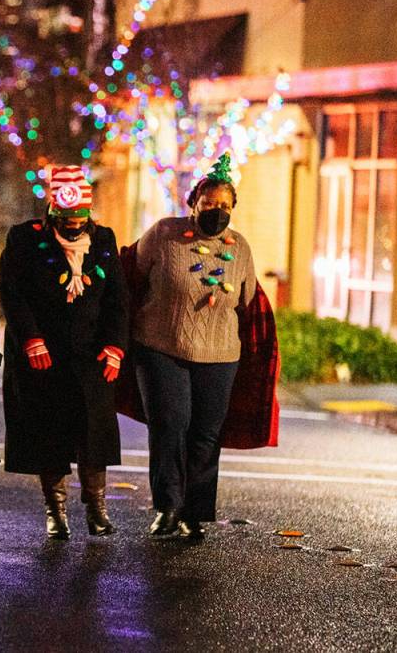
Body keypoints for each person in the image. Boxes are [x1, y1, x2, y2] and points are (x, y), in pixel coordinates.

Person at [131, 153, 258, 541]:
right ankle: (167, 507)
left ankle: (193, 512)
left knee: (205, 433)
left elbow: (248, 298)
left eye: (224, 206)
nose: (217, 212)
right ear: (193, 203)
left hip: (219, 354)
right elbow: (133, 275)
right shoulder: (163, 234)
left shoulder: (239, 248)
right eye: (209, 204)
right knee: (170, 424)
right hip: (160, 345)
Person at [0, 165, 128, 539]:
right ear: (52, 211)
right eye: (65, 219)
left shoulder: (102, 240)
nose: (73, 226)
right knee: (48, 431)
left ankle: (96, 507)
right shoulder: (26, 239)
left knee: (95, 429)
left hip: (90, 352)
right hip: (44, 353)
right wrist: (30, 338)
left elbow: (118, 299)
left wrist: (115, 346)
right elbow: (12, 291)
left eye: (79, 219)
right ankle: (55, 510)